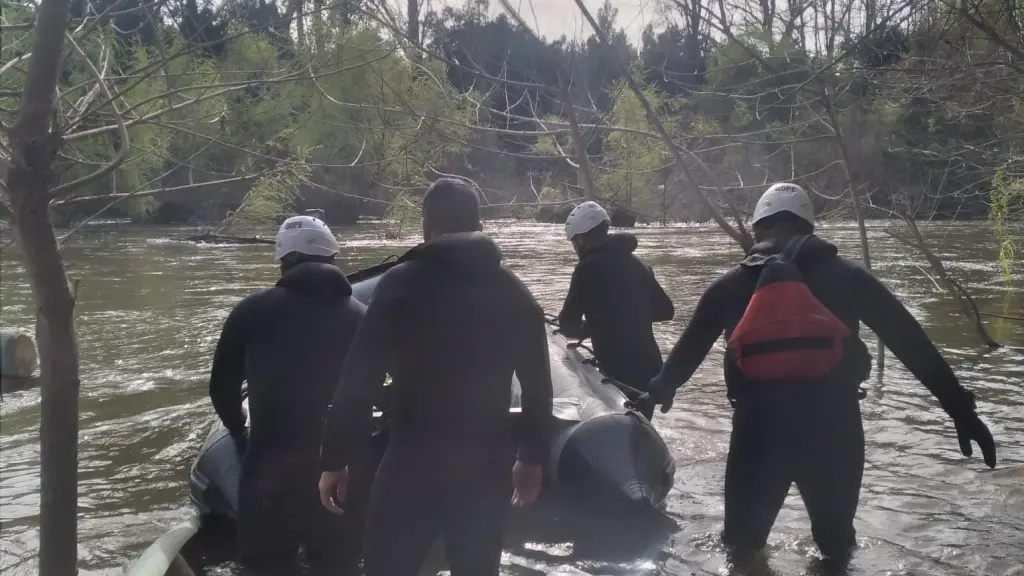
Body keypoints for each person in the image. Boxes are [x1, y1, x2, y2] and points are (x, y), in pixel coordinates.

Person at [637, 182, 997, 566]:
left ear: (758, 229)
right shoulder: (850, 277)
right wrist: (960, 410)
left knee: (742, 547)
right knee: (836, 550)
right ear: (810, 229)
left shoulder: (731, 284)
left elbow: (685, 355)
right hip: (835, 429)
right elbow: (911, 343)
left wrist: (654, 396)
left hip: (759, 431)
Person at [318, 177, 554, 576]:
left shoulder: (400, 284)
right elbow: (537, 386)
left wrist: (334, 459)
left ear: (426, 229)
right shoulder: (514, 292)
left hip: (411, 463)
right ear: (479, 226)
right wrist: (531, 460)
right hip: (484, 466)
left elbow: (359, 378)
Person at [208, 215, 368, 573]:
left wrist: (238, 430)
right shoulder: (362, 317)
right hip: (341, 470)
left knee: (266, 565)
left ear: (284, 261)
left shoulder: (251, 311)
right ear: (332, 258)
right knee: (337, 565)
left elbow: (221, 388)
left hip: (269, 468)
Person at [558, 200, 674, 419]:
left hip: (619, 371)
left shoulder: (587, 268)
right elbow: (666, 311)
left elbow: (568, 325)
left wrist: (592, 327)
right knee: (641, 428)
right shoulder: (639, 264)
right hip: (651, 370)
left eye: (573, 242)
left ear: (581, 239)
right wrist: (629, 316)